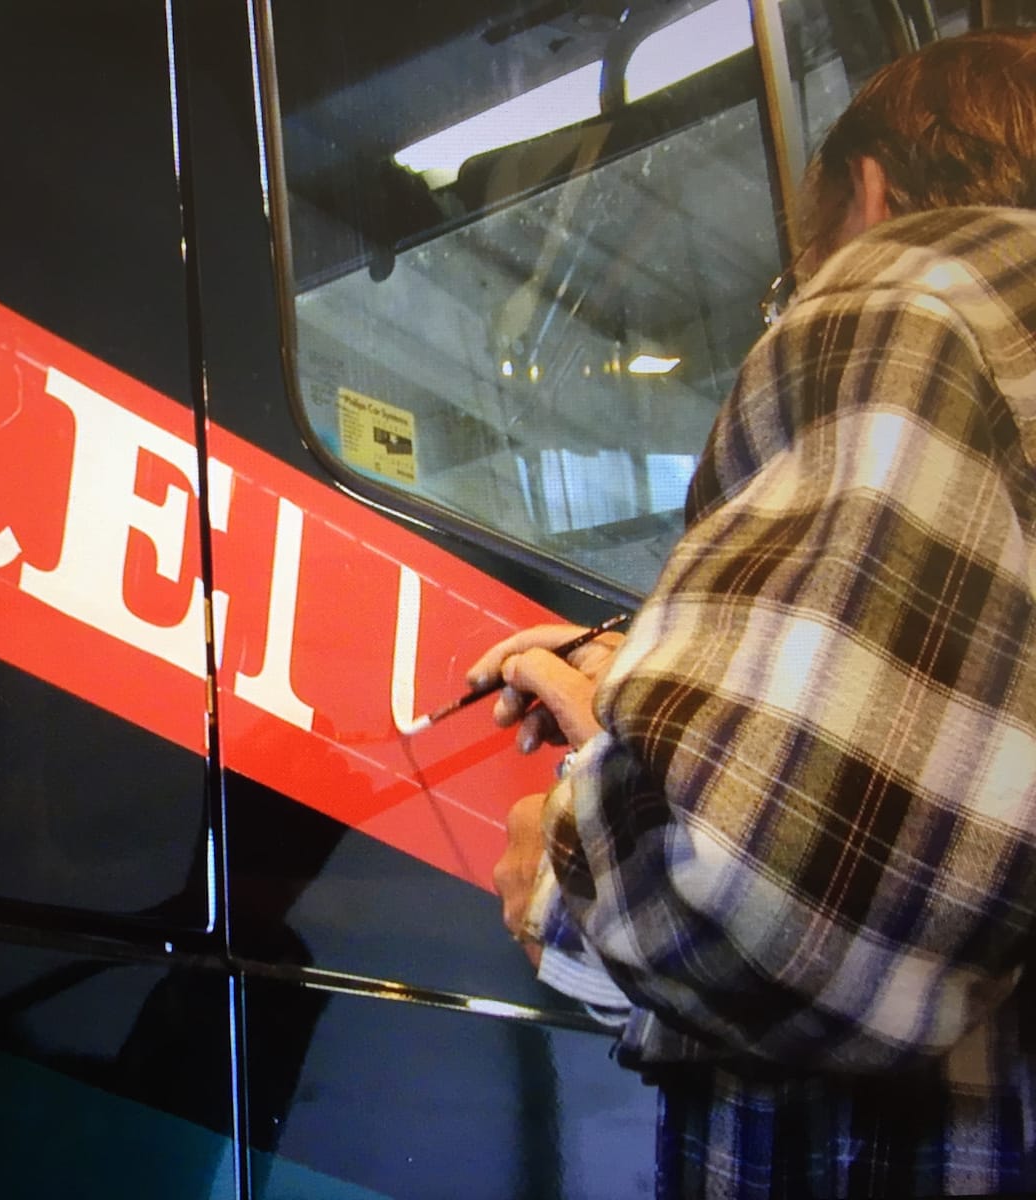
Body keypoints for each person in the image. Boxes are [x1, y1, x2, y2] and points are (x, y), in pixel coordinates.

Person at [469, 27, 1036, 1198]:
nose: (803, 295)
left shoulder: (910, 296)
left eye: (801, 263)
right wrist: (656, 684)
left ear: (869, 190)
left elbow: (799, 913)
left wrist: (573, 861)